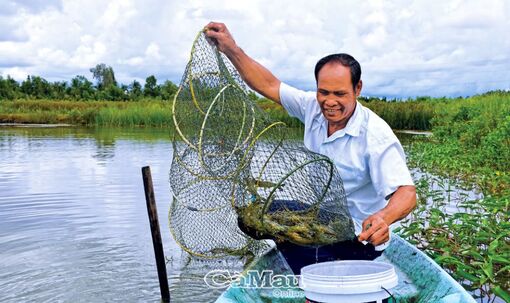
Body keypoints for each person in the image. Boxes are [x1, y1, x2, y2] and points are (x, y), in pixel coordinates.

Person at [205, 22, 417, 274]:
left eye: (340, 94)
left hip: (360, 238)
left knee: (297, 237)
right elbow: (269, 85)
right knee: (256, 216)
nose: (330, 102)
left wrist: (383, 218)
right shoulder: (313, 108)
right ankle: (317, 262)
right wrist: (231, 49)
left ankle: (324, 273)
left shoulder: (374, 135)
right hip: (324, 221)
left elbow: (406, 193)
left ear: (357, 89)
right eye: (323, 92)